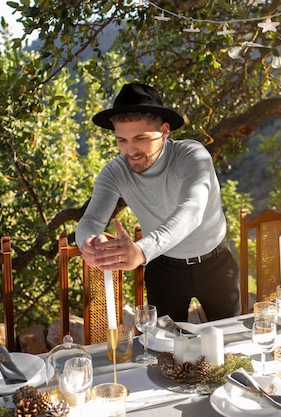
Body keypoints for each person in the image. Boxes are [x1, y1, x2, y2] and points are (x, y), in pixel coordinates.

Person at [75, 82, 240, 322]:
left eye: (140, 138)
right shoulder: (114, 172)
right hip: (164, 270)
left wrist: (142, 250)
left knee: (231, 345)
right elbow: (90, 220)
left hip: (216, 265)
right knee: (166, 350)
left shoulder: (192, 155)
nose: (130, 150)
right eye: (122, 140)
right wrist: (88, 243)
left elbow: (192, 211)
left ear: (164, 131)